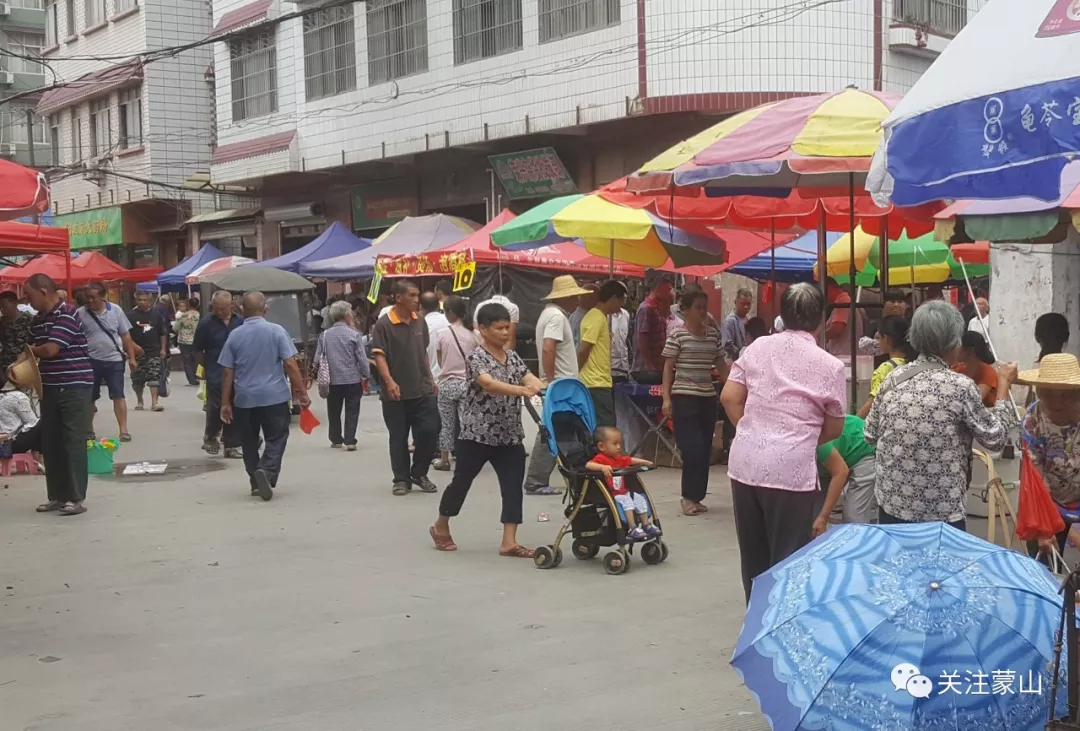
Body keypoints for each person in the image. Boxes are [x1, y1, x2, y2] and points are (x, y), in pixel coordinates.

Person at [720, 283, 847, 603]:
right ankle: (784, 637)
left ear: (782, 315)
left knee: (754, 558)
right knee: (790, 559)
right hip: (790, 469)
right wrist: (796, 440)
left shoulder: (757, 348)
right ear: (821, 318)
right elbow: (834, 426)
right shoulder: (830, 365)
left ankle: (757, 629)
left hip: (746, 463)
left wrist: (755, 431)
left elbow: (729, 397)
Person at [864, 300, 1017, 530]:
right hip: (942, 516)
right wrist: (1004, 383)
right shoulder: (960, 386)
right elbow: (995, 438)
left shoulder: (892, 379)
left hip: (892, 510)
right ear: (954, 342)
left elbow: (869, 434)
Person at [429, 302, 543, 558]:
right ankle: (441, 525)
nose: (505, 333)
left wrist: (543, 386)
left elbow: (529, 378)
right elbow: (488, 384)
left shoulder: (512, 357)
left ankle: (509, 542)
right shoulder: (475, 357)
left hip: (509, 434)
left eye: (507, 328)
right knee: (461, 483)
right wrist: (522, 391)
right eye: (499, 328)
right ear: (483, 329)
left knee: (513, 486)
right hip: (476, 434)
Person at [219, 291, 310, 501]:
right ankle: (267, 471)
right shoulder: (276, 331)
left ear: (241, 311)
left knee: (249, 441)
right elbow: (290, 364)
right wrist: (301, 393)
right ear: (265, 310)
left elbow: (227, 371)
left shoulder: (235, 335)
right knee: (277, 437)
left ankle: (255, 481)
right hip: (274, 397)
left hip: (244, 398)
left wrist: (225, 402)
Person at [23, 274, 94, 516]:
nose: (27, 300)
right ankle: (56, 495)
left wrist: (32, 350)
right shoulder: (38, 320)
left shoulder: (67, 313)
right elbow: (29, 353)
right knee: (51, 443)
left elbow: (51, 349)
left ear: (43, 291)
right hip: (49, 386)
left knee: (73, 442)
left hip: (74, 385)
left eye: (29, 295)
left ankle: (75, 498)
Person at [371, 279, 440, 496]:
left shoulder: (420, 321)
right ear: (398, 298)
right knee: (398, 436)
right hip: (396, 392)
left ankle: (419, 472)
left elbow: (423, 353)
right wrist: (390, 382)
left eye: (417, 295)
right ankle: (401, 479)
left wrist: (430, 378)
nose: (416, 299)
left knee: (431, 429)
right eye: (411, 295)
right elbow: (379, 357)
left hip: (422, 387)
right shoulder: (383, 324)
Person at [662, 289, 725, 516]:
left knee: (705, 448)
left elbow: (721, 364)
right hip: (683, 397)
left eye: (704, 307)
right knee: (693, 448)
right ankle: (687, 496)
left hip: (707, 398)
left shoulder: (713, 336)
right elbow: (669, 367)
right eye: (697, 307)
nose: (702, 311)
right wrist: (666, 398)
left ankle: (698, 496)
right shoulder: (677, 336)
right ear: (685, 310)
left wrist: (734, 387)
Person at [524, 275, 586, 495]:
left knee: (562, 430)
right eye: (575, 295)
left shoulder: (550, 315)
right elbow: (549, 348)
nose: (578, 299)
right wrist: (551, 382)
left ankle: (574, 473)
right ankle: (536, 480)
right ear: (566, 296)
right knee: (553, 430)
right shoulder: (556, 317)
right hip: (561, 384)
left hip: (560, 382)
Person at [1016, 354, 1080, 559]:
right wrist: (1045, 528)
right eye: (1049, 396)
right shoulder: (1032, 422)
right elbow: (1035, 480)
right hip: (1046, 502)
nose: (1056, 403)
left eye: (1067, 396)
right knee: (1045, 565)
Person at [78, 282, 137, 442]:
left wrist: (131, 358)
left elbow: (125, 335)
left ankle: (123, 430)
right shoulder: (80, 313)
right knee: (90, 397)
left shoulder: (116, 310)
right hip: (90, 361)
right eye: (87, 298)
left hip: (114, 360)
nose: (90, 301)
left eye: (94, 297)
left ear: (103, 296)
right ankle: (89, 430)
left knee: (118, 395)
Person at [313, 300, 370, 451]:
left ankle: (336, 438)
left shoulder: (324, 335)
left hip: (332, 380)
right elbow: (362, 358)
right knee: (352, 410)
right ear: (346, 315)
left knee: (333, 409)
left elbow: (317, 358)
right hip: (352, 379)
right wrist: (366, 375)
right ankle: (350, 440)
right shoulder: (354, 335)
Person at [194, 291, 244, 457]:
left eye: (222, 308)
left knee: (234, 406)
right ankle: (211, 436)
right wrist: (207, 366)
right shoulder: (206, 323)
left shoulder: (240, 322)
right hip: (215, 371)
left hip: (237, 371)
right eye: (216, 308)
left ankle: (231, 444)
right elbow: (197, 349)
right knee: (215, 407)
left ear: (232, 305)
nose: (219, 312)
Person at [585, 425, 657, 540]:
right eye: (615, 444)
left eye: (620, 443)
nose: (619, 447)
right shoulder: (601, 458)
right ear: (601, 446)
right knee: (627, 501)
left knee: (640, 499)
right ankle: (632, 527)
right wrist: (602, 467)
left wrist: (645, 462)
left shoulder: (617, 457)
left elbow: (629, 460)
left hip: (623, 492)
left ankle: (646, 525)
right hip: (613, 494)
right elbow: (589, 465)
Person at [433, 295, 479, 471]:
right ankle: (467, 458)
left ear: (451, 313)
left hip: (447, 384)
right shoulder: (474, 334)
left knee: (447, 424)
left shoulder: (442, 334)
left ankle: (444, 460)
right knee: (467, 423)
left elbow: (439, 361)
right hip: (467, 385)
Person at [578, 280, 627, 428]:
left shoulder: (600, 317)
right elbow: (583, 349)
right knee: (606, 428)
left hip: (599, 381)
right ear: (613, 298)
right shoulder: (596, 318)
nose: (621, 307)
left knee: (603, 427)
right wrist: (576, 373)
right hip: (595, 383)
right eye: (621, 301)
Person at [816, 414, 877, 525]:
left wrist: (823, 517)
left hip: (864, 448)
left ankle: (858, 539)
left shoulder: (818, 442)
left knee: (853, 518)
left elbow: (841, 472)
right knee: (816, 509)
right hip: (840, 452)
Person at [856, 315, 915, 419]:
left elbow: (872, 404)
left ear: (887, 339)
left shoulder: (884, 369)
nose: (877, 341)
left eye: (879, 337)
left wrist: (853, 421)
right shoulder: (915, 364)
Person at [128, 291, 168, 412]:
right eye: (140, 300)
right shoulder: (130, 316)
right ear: (136, 301)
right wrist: (131, 352)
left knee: (154, 376)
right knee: (137, 379)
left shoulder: (156, 315)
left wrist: (163, 348)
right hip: (137, 352)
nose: (142, 302)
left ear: (149, 301)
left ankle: (154, 402)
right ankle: (140, 400)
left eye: (145, 300)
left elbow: (163, 333)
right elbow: (126, 335)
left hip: (154, 350)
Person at [632, 273, 674, 384]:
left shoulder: (658, 308)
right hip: (646, 369)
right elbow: (642, 338)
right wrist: (649, 364)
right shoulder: (645, 309)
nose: (669, 292)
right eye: (668, 289)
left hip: (658, 366)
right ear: (660, 288)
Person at [953, 330, 998, 408]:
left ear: (970, 350)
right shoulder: (959, 370)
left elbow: (974, 401)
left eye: (959, 346)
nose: (955, 350)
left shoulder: (988, 373)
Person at [0, 373, 41, 457]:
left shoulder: (3, 394)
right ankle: (39, 459)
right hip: (11, 444)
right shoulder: (19, 397)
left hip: (4, 442)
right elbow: (32, 422)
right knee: (43, 423)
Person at [474, 279, 519, 351]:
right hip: (502, 353)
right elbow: (510, 339)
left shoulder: (480, 306)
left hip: (482, 352)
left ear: (492, 287)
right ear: (511, 289)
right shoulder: (512, 308)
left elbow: (476, 334)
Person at [824, 281, 864, 357]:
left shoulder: (842, 302)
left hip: (844, 356)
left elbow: (837, 329)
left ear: (829, 289)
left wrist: (819, 337)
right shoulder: (844, 302)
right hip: (847, 355)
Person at [0, 291, 32, 374]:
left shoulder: (29, 320)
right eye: (0, 307)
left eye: (4, 306)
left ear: (14, 303)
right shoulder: (2, 323)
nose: (2, 310)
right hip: (5, 366)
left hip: (24, 365)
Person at [421, 291, 450, 381]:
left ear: (421, 307)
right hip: (450, 378)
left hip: (430, 379)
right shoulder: (449, 321)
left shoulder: (419, 325)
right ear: (438, 305)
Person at [721, 287, 753, 362]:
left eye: (748, 304)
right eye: (742, 304)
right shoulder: (730, 321)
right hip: (734, 362)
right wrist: (742, 353)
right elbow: (727, 344)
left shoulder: (749, 318)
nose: (746, 307)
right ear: (735, 302)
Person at [174, 298, 201, 386]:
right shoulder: (199, 315)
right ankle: (197, 376)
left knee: (187, 361)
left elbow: (175, 328)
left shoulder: (183, 316)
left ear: (189, 305)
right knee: (195, 359)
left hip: (184, 340)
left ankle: (191, 380)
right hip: (196, 339)